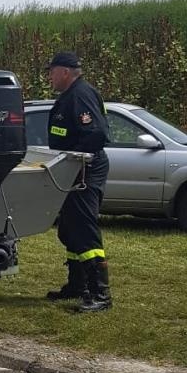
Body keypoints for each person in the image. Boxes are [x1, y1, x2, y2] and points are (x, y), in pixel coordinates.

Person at [45, 51, 111, 312]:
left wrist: (76, 160)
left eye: (52, 71)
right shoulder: (71, 95)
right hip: (72, 169)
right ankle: (77, 285)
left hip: (84, 169)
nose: (49, 76)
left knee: (84, 229)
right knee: (69, 229)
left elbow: (96, 134)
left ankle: (100, 294)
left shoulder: (80, 94)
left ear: (64, 72)